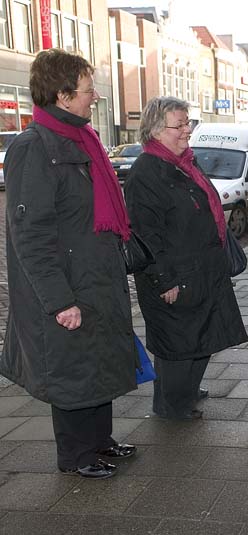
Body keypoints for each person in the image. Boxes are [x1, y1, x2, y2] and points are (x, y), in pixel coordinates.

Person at [0, 49, 137, 479]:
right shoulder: (34, 147)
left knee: (99, 363)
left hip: (96, 277)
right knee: (75, 371)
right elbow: (31, 233)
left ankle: (100, 440)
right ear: (62, 96)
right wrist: (59, 300)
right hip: (69, 284)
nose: (94, 96)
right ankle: (76, 456)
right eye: (87, 89)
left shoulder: (84, 140)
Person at [124, 96, 248, 418]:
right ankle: (174, 407)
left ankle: (184, 392)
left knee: (200, 338)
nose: (186, 131)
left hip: (202, 270)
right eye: (178, 125)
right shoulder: (147, 172)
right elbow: (146, 233)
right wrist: (165, 279)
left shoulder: (185, 163)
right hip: (175, 275)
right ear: (154, 130)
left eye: (187, 123)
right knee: (178, 345)